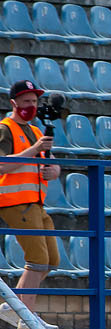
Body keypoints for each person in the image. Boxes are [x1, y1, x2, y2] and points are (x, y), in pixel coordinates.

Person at [0, 79, 59, 299]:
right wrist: (34, 150)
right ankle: (26, 315)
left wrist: (54, 171)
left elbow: (51, 161)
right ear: (14, 103)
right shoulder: (5, 129)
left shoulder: (34, 130)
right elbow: (1, 164)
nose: (31, 106)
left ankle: (16, 309)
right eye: (26, 101)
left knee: (52, 260)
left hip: (35, 201)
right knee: (38, 259)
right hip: (14, 201)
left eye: (34, 101)